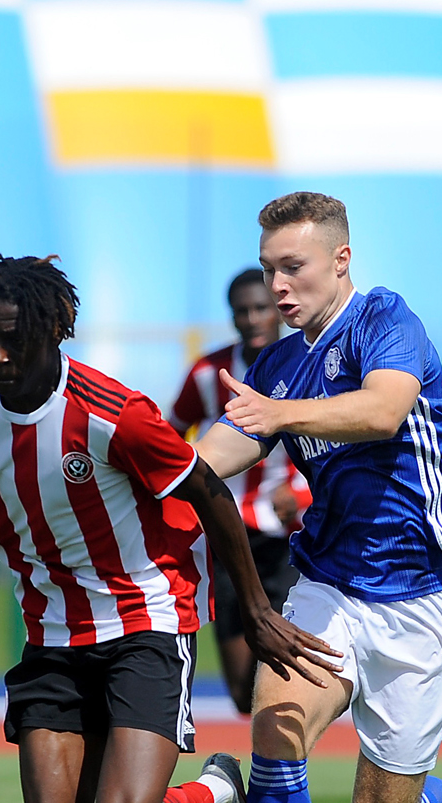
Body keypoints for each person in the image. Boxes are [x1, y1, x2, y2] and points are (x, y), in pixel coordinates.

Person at [0, 254, 342, 803]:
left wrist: (254, 612)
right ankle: (211, 793)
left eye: (12, 339)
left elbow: (207, 490)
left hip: (146, 620)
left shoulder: (113, 413)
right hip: (51, 634)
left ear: (55, 332)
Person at [192, 193, 442, 803]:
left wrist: (280, 415)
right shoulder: (277, 365)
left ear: (341, 259)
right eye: (267, 269)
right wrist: (130, 463)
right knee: (275, 739)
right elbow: (211, 458)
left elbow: (384, 411)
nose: (277, 285)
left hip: (419, 590)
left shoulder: (384, 320)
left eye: (293, 266)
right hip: (327, 582)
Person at [169, 268, 311, 715]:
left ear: (279, 310)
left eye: (260, 308)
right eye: (241, 311)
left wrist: (302, 496)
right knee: (240, 691)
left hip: (289, 536)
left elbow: (337, 447)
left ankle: (281, 773)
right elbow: (171, 437)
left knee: (287, 668)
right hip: (227, 535)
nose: (252, 319)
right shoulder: (208, 372)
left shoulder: (309, 364)